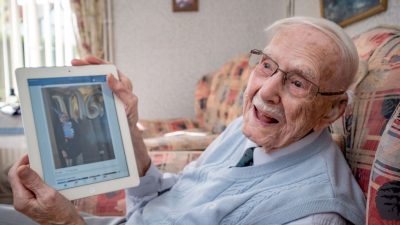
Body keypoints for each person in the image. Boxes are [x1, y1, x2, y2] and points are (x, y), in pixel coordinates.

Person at [0, 16, 366, 225]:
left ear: (333, 110)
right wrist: (130, 131)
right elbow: (173, 193)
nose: (265, 91)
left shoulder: (314, 215)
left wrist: (67, 222)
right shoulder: (252, 129)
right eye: (267, 65)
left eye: (298, 81)